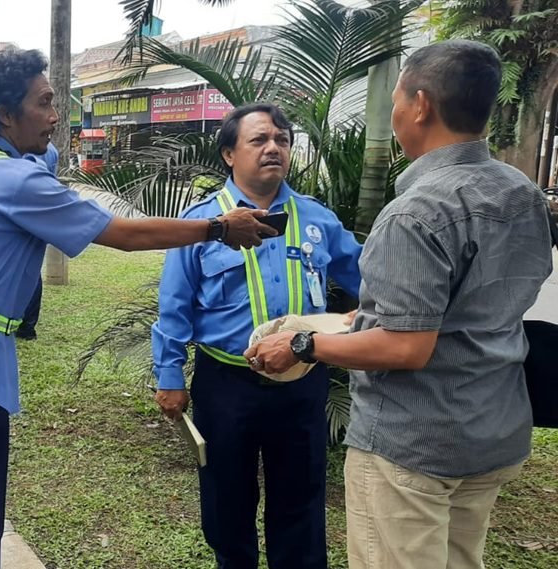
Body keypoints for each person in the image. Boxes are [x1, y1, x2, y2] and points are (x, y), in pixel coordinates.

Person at [0, 48, 278, 569]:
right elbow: (123, 233)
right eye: (45, 103)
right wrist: (217, 227)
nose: (56, 115)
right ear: (7, 114)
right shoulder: (14, 180)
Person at [246, 40, 554, 569]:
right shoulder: (521, 193)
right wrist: (360, 318)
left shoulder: (416, 211)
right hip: (491, 426)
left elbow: (407, 347)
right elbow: (477, 303)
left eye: (395, 100)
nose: (393, 113)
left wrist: (303, 342)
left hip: (414, 443)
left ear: (420, 105)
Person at [153, 103, 363, 569]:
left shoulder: (316, 219)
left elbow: (370, 278)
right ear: (229, 154)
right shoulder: (203, 223)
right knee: (227, 503)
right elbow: (174, 305)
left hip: (303, 382)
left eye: (282, 140)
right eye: (259, 140)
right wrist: (168, 374)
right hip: (227, 386)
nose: (274, 148)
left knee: (301, 501)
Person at [14, 142, 60, 340]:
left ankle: (24, 324)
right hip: (39, 216)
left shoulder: (20, 148)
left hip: (19, 216)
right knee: (31, 270)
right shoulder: (51, 150)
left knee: (24, 271)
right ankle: (27, 325)